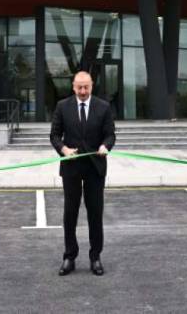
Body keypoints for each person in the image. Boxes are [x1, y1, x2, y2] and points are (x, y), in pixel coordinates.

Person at [50, 71, 116, 276]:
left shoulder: (103, 107)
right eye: (79, 87)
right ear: (73, 86)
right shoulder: (62, 106)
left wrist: (105, 146)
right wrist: (64, 150)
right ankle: (69, 257)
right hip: (71, 168)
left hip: (95, 168)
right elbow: (54, 135)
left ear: (92, 86)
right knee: (70, 214)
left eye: (86, 87)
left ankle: (95, 257)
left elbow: (110, 135)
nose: (83, 91)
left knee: (95, 213)